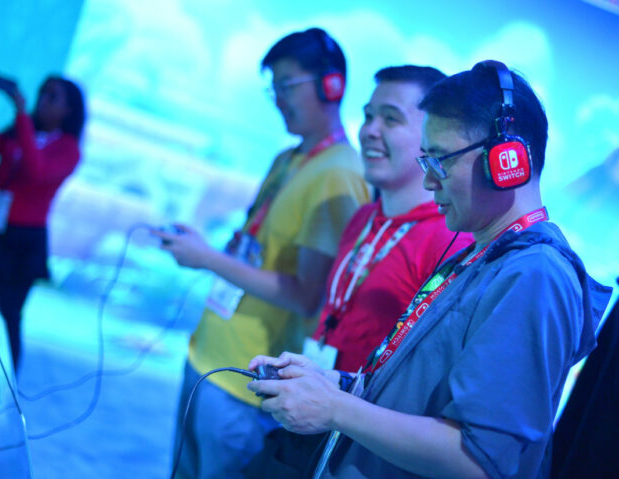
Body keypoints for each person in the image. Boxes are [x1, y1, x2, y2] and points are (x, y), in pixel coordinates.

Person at [248, 60, 613, 479]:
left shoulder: (536, 276)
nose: (429, 182)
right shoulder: (486, 256)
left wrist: (336, 409)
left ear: (506, 160)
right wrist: (335, 384)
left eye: (441, 161)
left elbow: (477, 461)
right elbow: (422, 395)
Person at [158, 28, 370, 478]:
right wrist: (213, 248)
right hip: (212, 355)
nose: (277, 99)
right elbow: (260, 255)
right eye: (273, 87)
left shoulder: (339, 175)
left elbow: (305, 295)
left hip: (245, 376)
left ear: (331, 86)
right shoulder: (290, 158)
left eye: (287, 86)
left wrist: (208, 258)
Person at [243, 65, 474, 478]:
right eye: (368, 115)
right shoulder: (364, 216)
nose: (369, 130)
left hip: (360, 450)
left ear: (430, 136)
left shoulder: (448, 240)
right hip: (305, 423)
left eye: (390, 118)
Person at [0, 70, 86, 368]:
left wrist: (22, 117)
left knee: (9, 314)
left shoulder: (68, 149)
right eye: (42, 92)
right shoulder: (21, 130)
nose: (42, 100)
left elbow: (37, 171)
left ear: (68, 110)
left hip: (24, 240)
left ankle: (8, 383)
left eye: (52, 97)